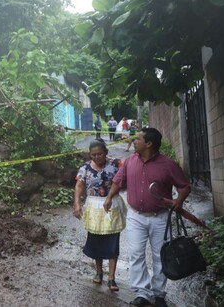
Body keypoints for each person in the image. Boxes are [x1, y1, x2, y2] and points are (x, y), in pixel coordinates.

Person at [103, 128, 191, 307]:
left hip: (160, 217)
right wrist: (109, 197)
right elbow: (118, 181)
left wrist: (178, 201)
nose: (134, 141)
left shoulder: (168, 164)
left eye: (139, 139)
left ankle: (158, 294)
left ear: (149, 144)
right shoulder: (129, 161)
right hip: (135, 216)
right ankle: (143, 293)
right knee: (136, 254)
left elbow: (184, 187)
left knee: (160, 255)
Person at [73, 139, 124, 292]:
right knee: (96, 240)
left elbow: (125, 180)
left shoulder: (116, 164)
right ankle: (99, 272)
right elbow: (79, 185)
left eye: (100, 154)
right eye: (93, 155)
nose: (97, 157)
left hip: (112, 206)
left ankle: (112, 278)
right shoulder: (85, 168)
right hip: (93, 207)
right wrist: (77, 203)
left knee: (112, 240)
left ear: (106, 152)